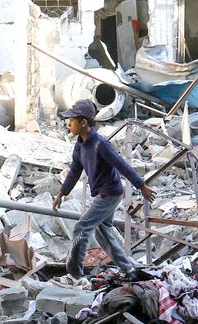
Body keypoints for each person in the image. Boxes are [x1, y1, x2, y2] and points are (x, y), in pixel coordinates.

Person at [53, 99, 156, 278]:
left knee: (81, 228)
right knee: (103, 231)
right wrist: (62, 193)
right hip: (103, 193)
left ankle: (75, 271)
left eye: (72, 120)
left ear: (84, 122)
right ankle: (126, 267)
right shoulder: (79, 145)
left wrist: (141, 186)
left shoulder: (101, 144)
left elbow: (122, 165)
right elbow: (74, 171)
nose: (68, 124)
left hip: (110, 193)